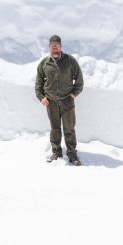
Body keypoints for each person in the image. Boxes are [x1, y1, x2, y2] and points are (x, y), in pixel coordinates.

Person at [35, 35, 84, 165]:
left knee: (69, 129)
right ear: (49, 46)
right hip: (50, 102)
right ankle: (56, 152)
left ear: (60, 46)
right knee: (55, 128)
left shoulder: (69, 60)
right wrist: (41, 97)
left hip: (67, 101)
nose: (55, 46)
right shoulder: (44, 63)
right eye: (52, 44)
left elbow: (79, 79)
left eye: (57, 44)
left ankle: (72, 154)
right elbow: (38, 83)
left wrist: (73, 94)